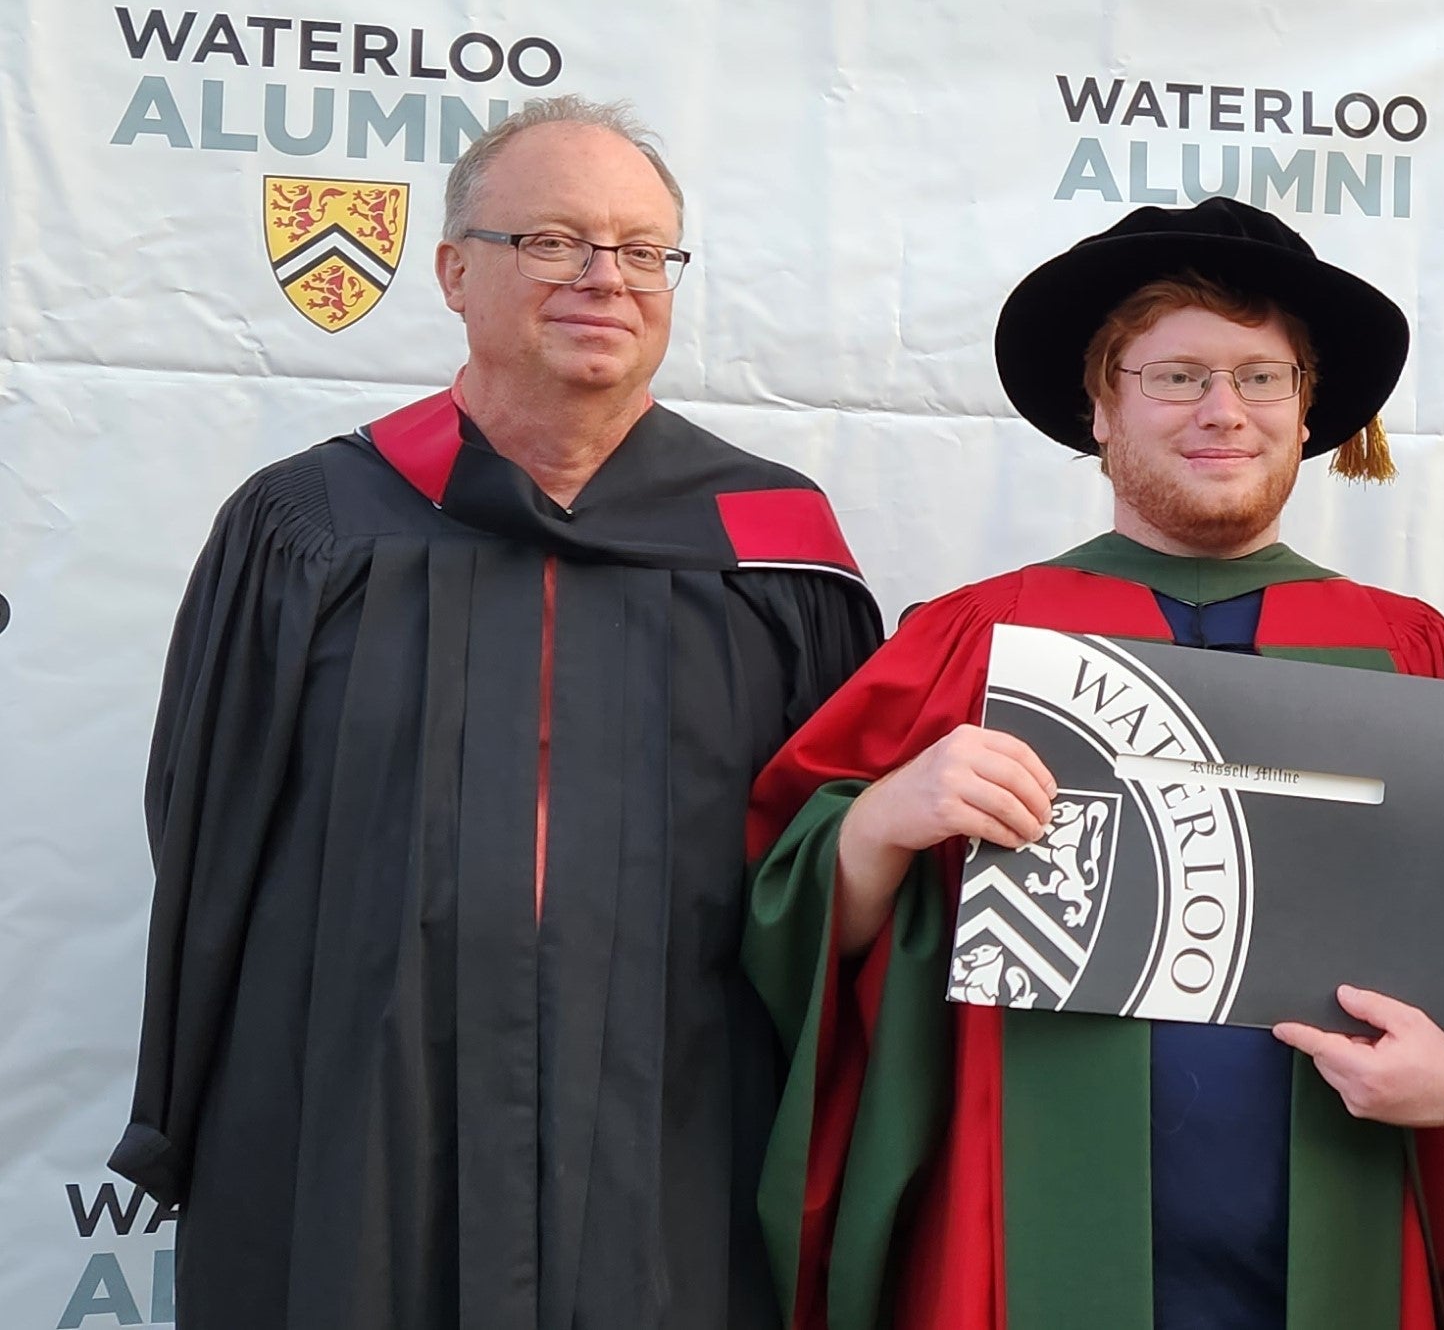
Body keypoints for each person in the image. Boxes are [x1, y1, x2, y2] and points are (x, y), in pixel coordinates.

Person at [745, 197, 1444, 1330]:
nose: (1225, 411)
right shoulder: (967, 644)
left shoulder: (1415, 660)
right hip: (1012, 1259)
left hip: (1345, 1237)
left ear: (1309, 413)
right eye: (1177, 375)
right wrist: (883, 819)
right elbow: (784, 935)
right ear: (1102, 406)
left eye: (1262, 376)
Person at [114, 96, 884, 1330]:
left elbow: (830, 865)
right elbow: (205, 838)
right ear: (455, 271)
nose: (604, 278)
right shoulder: (307, 527)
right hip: (352, 1115)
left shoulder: (779, 554)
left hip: (675, 1126)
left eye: (642, 251)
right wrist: (186, 1109)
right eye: (554, 241)